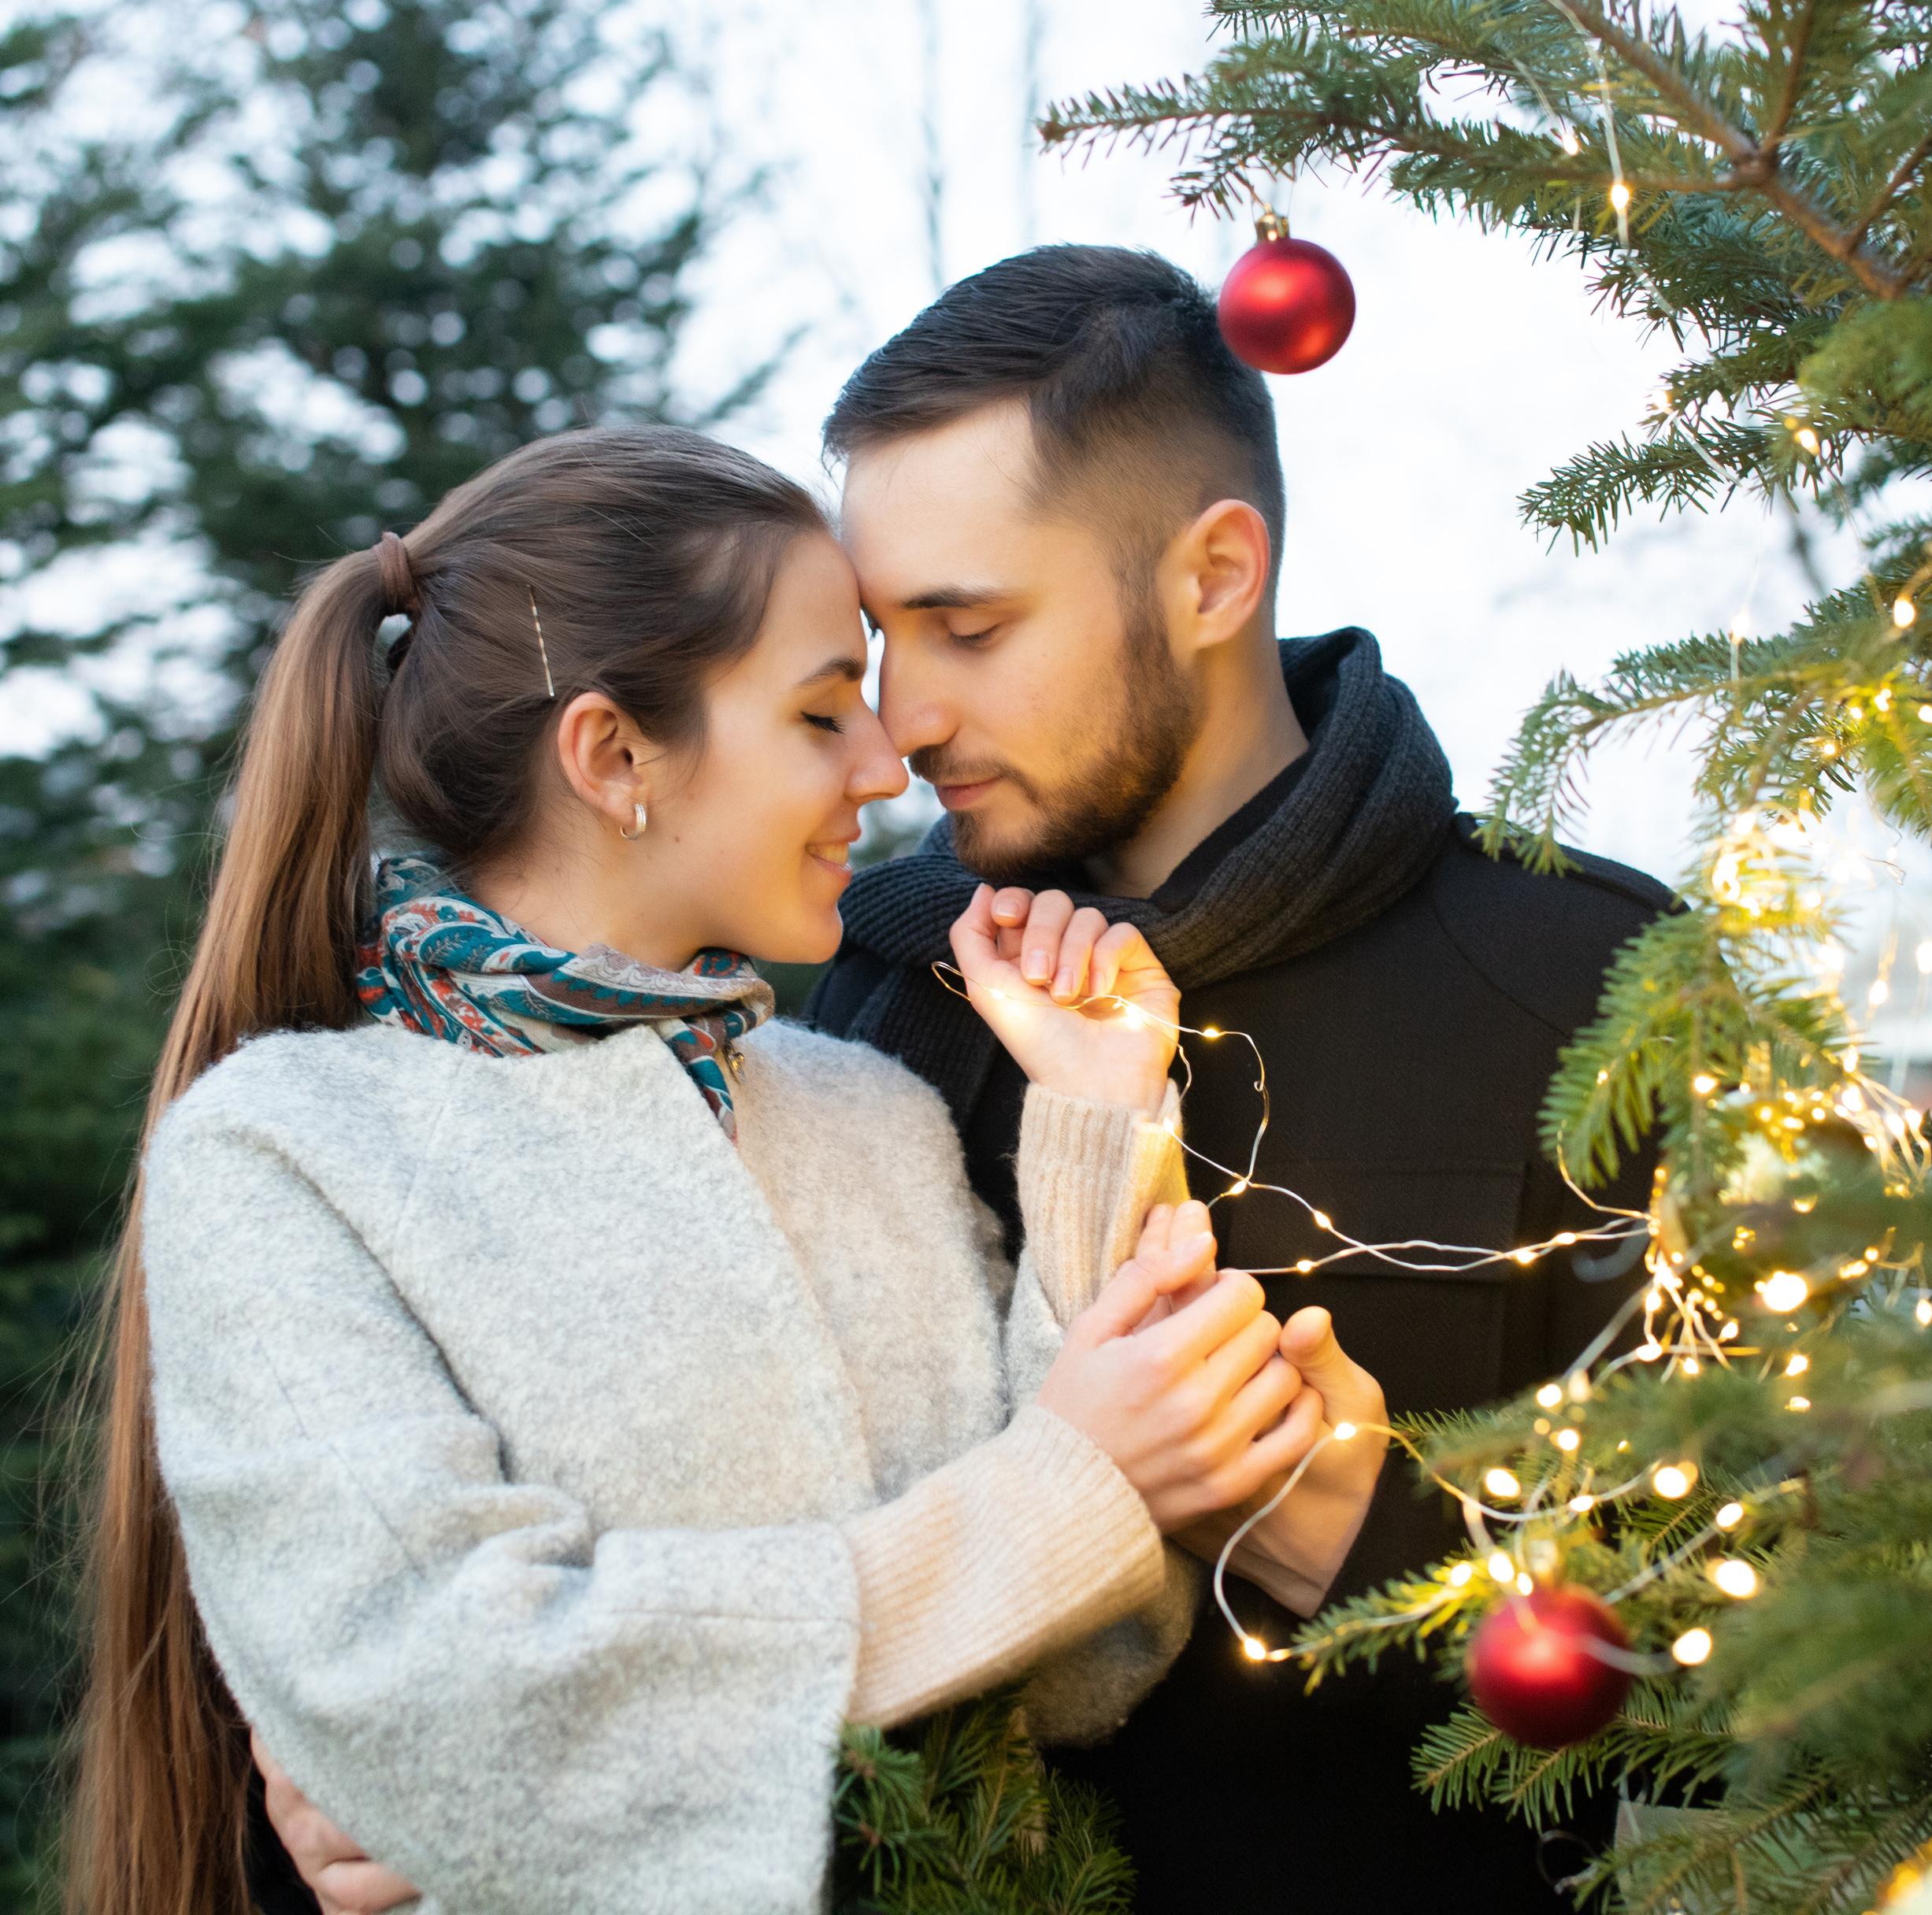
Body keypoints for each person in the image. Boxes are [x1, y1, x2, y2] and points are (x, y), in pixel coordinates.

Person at [72, 424, 1389, 1915]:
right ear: (616, 755)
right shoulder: (287, 1152)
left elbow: (1088, 1664)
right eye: (824, 713)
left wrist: (1091, 1120)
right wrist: (1060, 1493)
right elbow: (451, 1714)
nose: (891, 760)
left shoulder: (870, 1117)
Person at [804, 245, 1672, 1912]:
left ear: (1210, 576)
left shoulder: (1588, 986)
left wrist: (1362, 1531)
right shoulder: (877, 987)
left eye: (965, 625)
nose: (900, 717)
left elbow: (1821, 1681)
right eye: (876, 635)